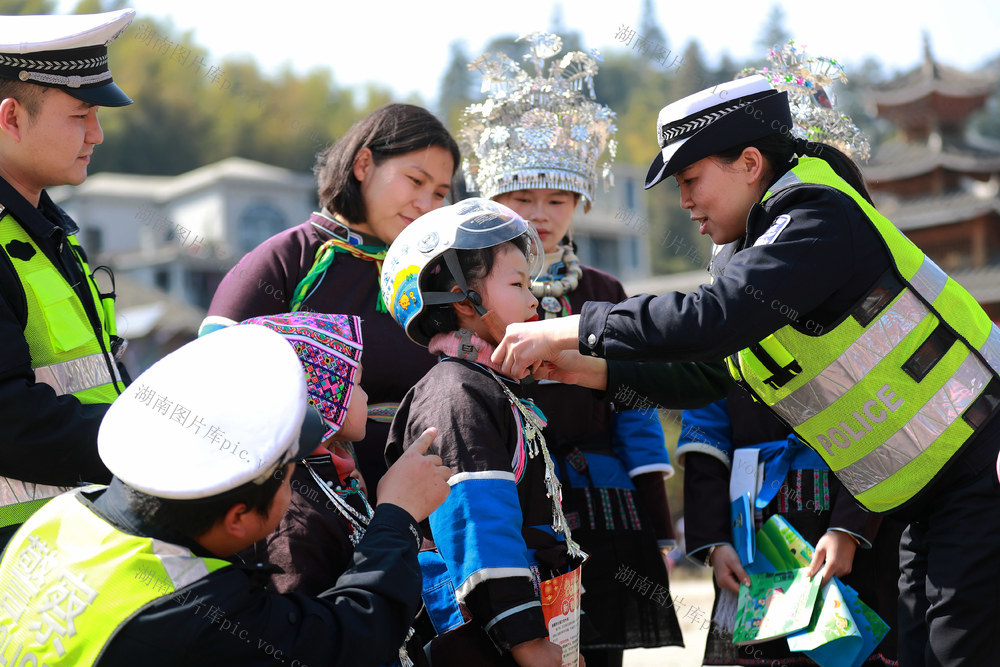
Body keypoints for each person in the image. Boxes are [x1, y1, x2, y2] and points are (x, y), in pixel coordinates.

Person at [492, 73, 1000, 665]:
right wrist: (593, 370)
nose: (684, 202)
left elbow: (712, 318)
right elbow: (718, 372)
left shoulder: (815, 216)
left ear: (751, 162)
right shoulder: (762, 249)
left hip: (978, 465)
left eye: (691, 180)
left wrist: (574, 326)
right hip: (924, 492)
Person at [0, 322, 451, 666]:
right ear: (238, 518)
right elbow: (348, 641)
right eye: (287, 473)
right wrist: (397, 514)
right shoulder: (195, 611)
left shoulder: (62, 516)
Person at [458, 33, 682, 666]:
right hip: (519, 489)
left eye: (556, 200)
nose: (541, 215)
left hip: (602, 497)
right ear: (491, 203)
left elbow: (633, 406)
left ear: (581, 203)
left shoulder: (606, 290)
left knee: (601, 648)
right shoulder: (471, 294)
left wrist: (657, 520)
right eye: (521, 200)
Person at [201, 103, 459, 503]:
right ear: (363, 164)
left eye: (440, 193)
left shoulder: (437, 278)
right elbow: (214, 373)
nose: (426, 204)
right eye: (415, 180)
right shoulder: (288, 259)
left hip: (430, 500)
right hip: (308, 500)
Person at [382, 198, 582, 666]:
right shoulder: (455, 393)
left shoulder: (489, 385)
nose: (535, 299)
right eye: (517, 283)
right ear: (462, 297)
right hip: (483, 640)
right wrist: (526, 639)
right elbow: (478, 524)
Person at [0, 9, 135, 545]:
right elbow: (9, 418)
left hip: (64, 542)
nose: (97, 135)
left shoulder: (47, 228)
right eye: (81, 115)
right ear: (11, 118)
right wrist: (155, 442)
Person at [679, 388, 901, 665]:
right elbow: (705, 437)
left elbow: (880, 414)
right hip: (751, 528)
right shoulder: (715, 349)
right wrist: (715, 542)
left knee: (853, 642)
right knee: (770, 647)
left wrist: (848, 528)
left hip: (849, 510)